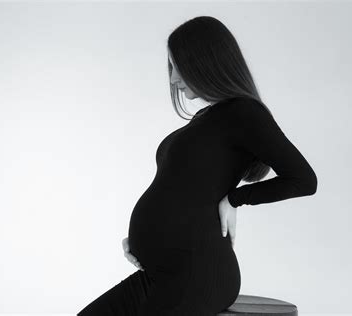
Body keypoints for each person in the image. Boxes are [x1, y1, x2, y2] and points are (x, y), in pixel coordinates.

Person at [77, 15, 318, 316]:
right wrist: (141, 240)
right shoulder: (207, 118)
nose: (173, 79)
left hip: (197, 276)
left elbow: (303, 180)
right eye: (171, 68)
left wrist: (235, 199)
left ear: (206, 63)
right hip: (165, 273)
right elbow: (184, 188)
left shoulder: (244, 113)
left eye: (178, 67)